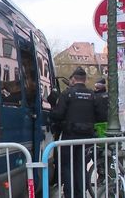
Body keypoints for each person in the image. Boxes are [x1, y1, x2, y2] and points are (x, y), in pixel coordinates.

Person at [51, 66, 104, 198]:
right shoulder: (92, 95)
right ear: (85, 80)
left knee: (68, 167)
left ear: (74, 80)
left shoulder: (67, 94)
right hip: (86, 138)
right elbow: (100, 116)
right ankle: (80, 194)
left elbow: (58, 114)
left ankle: (69, 194)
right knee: (81, 167)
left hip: (69, 136)